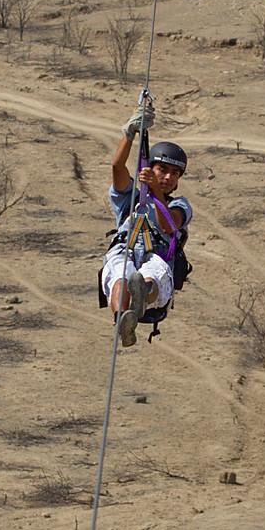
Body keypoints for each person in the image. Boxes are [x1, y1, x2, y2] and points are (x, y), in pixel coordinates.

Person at [102, 101, 191, 346]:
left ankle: (141, 298)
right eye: (162, 170)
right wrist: (129, 134)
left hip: (158, 255)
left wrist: (154, 190)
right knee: (120, 278)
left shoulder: (180, 205)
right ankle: (123, 319)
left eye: (174, 173)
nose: (167, 177)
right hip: (125, 249)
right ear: (149, 168)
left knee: (149, 278)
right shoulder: (128, 199)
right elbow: (117, 167)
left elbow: (168, 226)